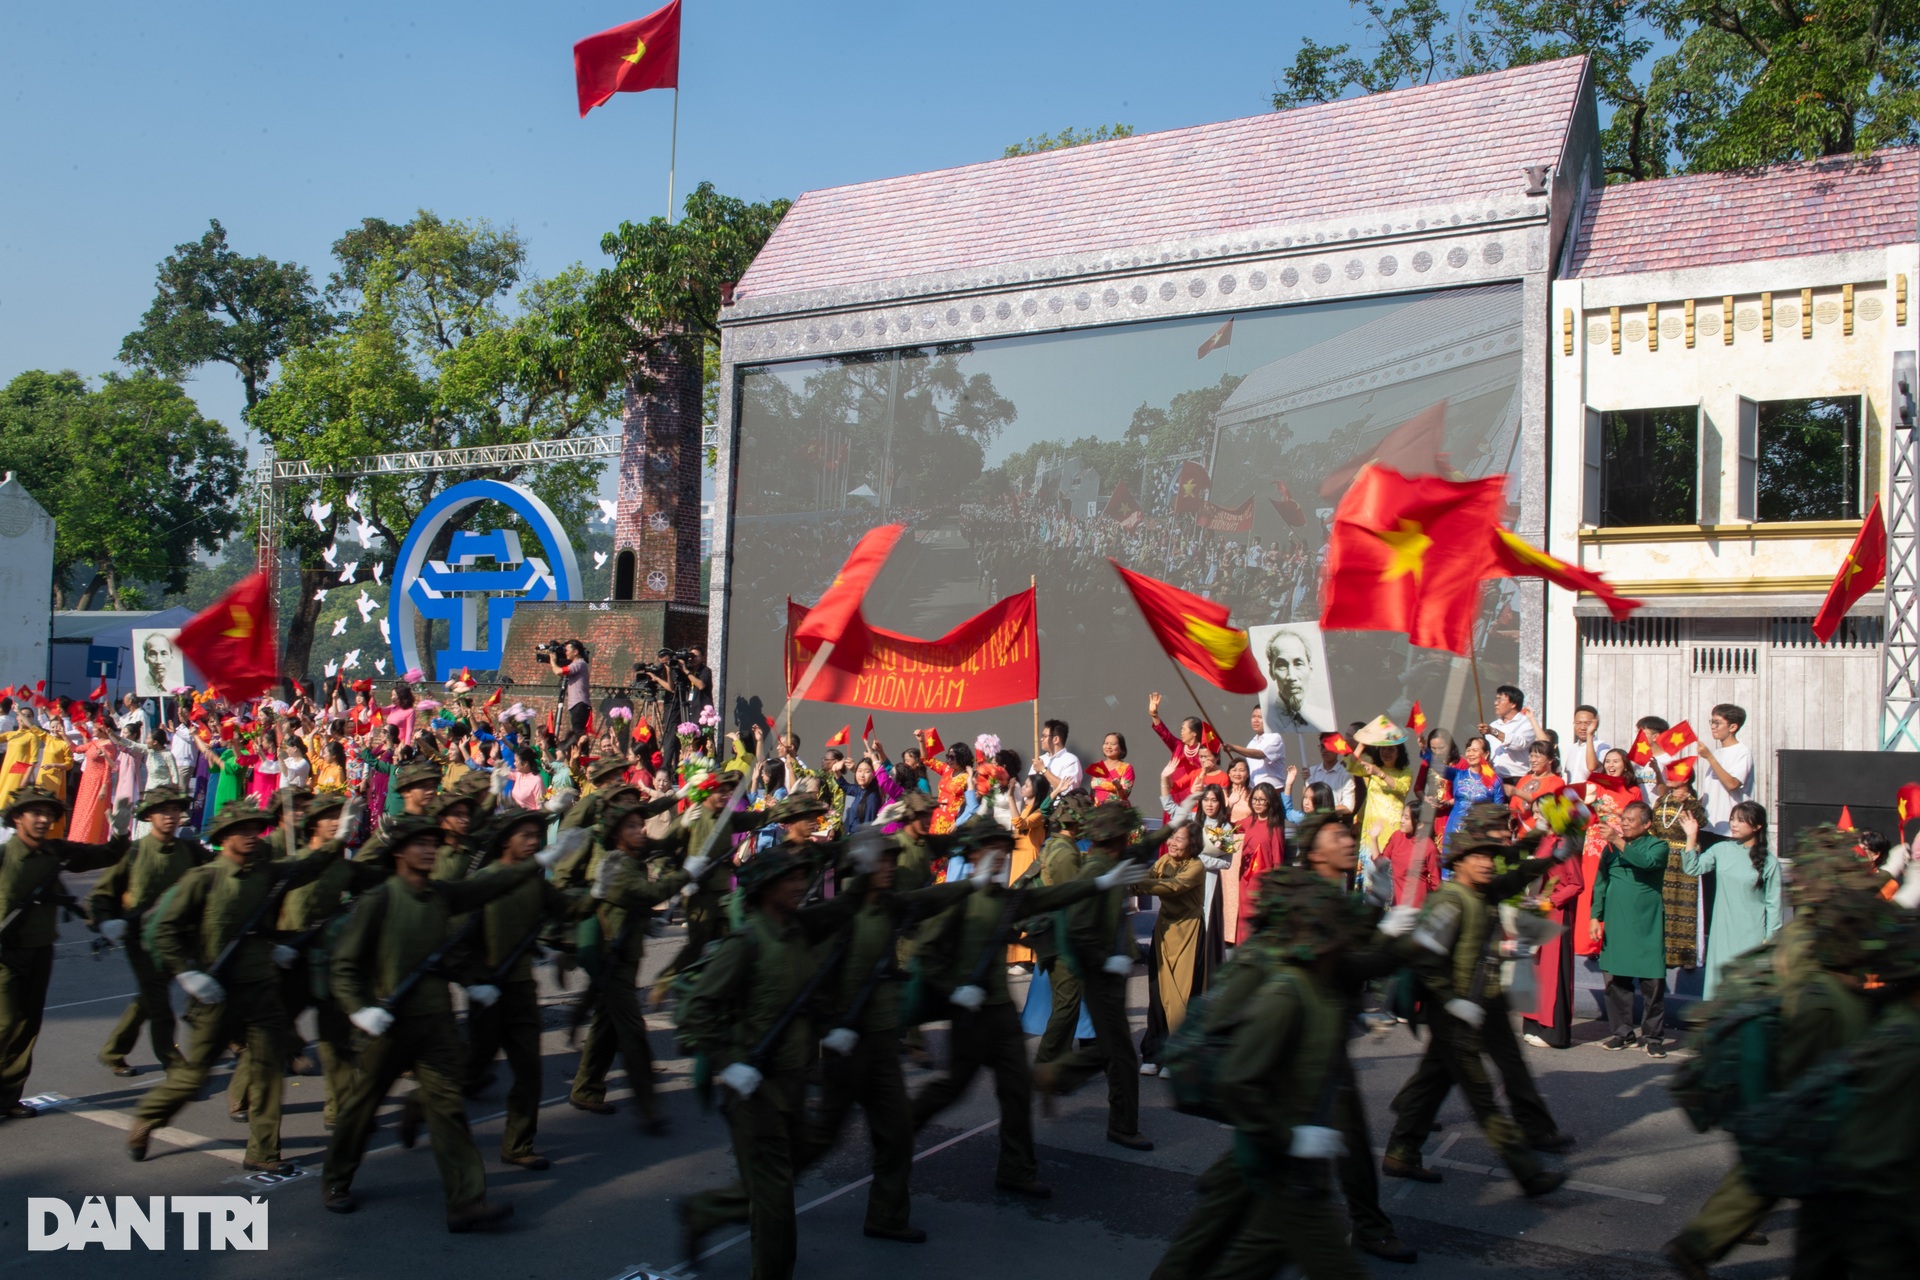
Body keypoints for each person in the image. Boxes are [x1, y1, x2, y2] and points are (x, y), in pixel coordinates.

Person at [321, 813, 569, 1230]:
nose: (430, 849)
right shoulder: (379, 900)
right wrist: (361, 1009)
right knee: (361, 1109)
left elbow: (488, 886)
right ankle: (336, 1179)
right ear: (399, 851)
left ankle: (466, 1201)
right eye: (420, 843)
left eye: (434, 843)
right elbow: (344, 966)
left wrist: (540, 860)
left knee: (449, 1110)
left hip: (435, 1023)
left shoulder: (440, 895)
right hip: (389, 1024)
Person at [1153, 866, 1376, 1280]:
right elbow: (1238, 1078)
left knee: (1233, 1253)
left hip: (1278, 1156)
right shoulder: (1285, 988)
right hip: (1280, 1158)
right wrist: (1294, 1137)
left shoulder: (1316, 981)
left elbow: (1368, 958)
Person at [913, 816, 1142, 1188]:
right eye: (992, 848)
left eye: (1004, 849)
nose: (1002, 856)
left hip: (1001, 1012)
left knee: (1017, 1089)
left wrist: (1099, 882)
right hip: (969, 1015)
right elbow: (926, 954)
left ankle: (1017, 1170)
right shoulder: (959, 898)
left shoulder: (1006, 898)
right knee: (951, 1088)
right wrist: (953, 990)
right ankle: (901, 1128)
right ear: (972, 854)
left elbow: (1049, 896)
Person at [127, 798, 334, 1171]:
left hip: (261, 988)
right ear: (224, 838)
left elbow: (305, 867)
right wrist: (188, 974)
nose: (252, 835)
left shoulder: (265, 873)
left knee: (269, 1072)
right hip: (217, 995)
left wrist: (339, 839)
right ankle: (148, 1118)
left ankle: (263, 1152)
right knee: (193, 1078)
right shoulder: (203, 879)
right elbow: (164, 931)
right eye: (242, 830)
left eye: (255, 829)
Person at [678, 845, 856, 1279]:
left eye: (801, 877)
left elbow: (804, 994)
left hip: (792, 1081)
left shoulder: (794, 933)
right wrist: (727, 1061)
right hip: (755, 1089)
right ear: (764, 888)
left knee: (781, 1178)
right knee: (775, 1199)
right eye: (789, 879)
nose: (799, 885)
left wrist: (829, 1025)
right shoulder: (748, 941)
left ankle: (706, 1212)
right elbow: (696, 1009)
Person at [796, 829, 979, 1245]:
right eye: (880, 861)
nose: (888, 868)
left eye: (890, 861)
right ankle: (756, 1192)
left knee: (896, 1133)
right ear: (859, 866)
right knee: (823, 1136)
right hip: (848, 1046)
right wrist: (831, 1028)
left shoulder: (887, 907)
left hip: (880, 1043)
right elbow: (812, 984)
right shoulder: (839, 915)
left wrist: (972, 883)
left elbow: (925, 900)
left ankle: (887, 1216)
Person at [1382, 806, 1573, 1196]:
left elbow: (1518, 874)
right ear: (1461, 861)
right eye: (1480, 856)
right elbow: (1424, 956)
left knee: (1445, 1078)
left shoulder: (1483, 891)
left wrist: (1552, 857)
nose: (1488, 863)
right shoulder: (1450, 901)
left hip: (1487, 1002)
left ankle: (1401, 1151)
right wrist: (1451, 1001)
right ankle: (1528, 1174)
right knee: (1482, 1097)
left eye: (1490, 855)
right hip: (1456, 1016)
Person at [461, 808, 594, 1169]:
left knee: (528, 1070)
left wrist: (600, 890)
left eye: (537, 836)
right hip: (486, 991)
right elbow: (459, 941)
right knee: (469, 1071)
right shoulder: (485, 879)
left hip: (520, 989)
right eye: (526, 836)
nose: (534, 842)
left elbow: (568, 908)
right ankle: (420, 1108)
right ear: (506, 840)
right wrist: (475, 982)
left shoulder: (534, 882)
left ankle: (518, 1144)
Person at [0, 785, 130, 1119]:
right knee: (4, 1024)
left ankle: (7, 1098)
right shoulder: (3, 856)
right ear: (17, 818)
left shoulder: (55, 852)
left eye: (49, 814)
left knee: (27, 1026)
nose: (44, 820)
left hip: (40, 949)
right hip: (4, 953)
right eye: (36, 813)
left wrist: (118, 835)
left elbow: (100, 857)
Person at [1030, 805, 1156, 1152]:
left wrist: (1176, 821)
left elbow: (1141, 850)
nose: (1130, 838)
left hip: (1108, 971)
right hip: (1101, 975)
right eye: (1126, 833)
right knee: (1121, 1056)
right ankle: (1122, 1126)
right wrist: (1108, 961)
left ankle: (1057, 1075)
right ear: (1116, 837)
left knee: (1110, 1049)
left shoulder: (1111, 860)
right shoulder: (1096, 870)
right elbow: (1079, 928)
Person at [570, 797, 696, 1130]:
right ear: (615, 833)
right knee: (633, 1035)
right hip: (613, 958)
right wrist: (685, 875)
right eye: (631, 826)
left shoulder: (630, 859)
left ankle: (586, 1088)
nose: (640, 830)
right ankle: (648, 1106)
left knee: (606, 1026)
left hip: (625, 956)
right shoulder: (616, 863)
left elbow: (644, 886)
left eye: (641, 824)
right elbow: (647, 894)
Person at [89, 785, 210, 1077]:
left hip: (180, 936)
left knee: (148, 998)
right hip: (141, 939)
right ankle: (173, 1063)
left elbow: (219, 872)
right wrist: (106, 921)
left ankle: (114, 1050)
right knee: (158, 1003)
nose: (170, 816)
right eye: (163, 810)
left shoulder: (190, 850)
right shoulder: (135, 852)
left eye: (174, 810)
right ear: (149, 816)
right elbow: (102, 894)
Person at [1590, 799, 1670, 1054]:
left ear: (1647, 824)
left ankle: (1653, 1038)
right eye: (1622, 818)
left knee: (1653, 984)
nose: (1624, 823)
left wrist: (1618, 841)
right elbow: (1600, 882)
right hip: (1617, 921)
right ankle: (1622, 1033)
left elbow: (1646, 863)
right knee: (1616, 983)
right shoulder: (1611, 849)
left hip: (1647, 923)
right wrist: (1595, 916)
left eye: (1630, 820)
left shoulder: (1658, 846)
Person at [1678, 800, 1780, 999]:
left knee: (1748, 994)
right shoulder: (1721, 850)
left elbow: (1774, 904)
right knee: (1719, 989)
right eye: (1732, 819)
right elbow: (1692, 868)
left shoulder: (1769, 861)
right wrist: (1691, 837)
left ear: (1757, 826)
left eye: (1741, 820)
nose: (1733, 824)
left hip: (1753, 936)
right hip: (1722, 934)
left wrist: (1770, 940)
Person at [1135, 821, 1209, 1074]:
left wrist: (1136, 884)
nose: (1174, 842)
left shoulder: (1197, 866)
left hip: (1189, 933)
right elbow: (1149, 877)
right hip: (1164, 931)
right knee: (1158, 995)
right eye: (1173, 837)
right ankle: (1154, 1054)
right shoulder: (1164, 860)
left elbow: (1173, 887)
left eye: (1180, 839)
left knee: (1184, 996)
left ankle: (1177, 1056)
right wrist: (1137, 880)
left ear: (1193, 843)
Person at [1519, 818, 1585, 1050]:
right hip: (1537, 907)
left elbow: (1576, 884)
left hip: (1555, 911)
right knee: (1535, 969)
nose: (1537, 819)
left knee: (1552, 971)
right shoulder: (1544, 840)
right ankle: (1533, 1023)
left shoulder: (1566, 845)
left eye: (1541, 814)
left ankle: (1553, 1031)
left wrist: (1551, 900)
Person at [1651, 758, 1706, 973]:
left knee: (1686, 908)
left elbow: (1700, 821)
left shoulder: (1693, 803)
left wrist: (1689, 802)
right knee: (1663, 906)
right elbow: (1654, 828)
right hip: (1663, 858)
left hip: (1685, 857)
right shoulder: (1661, 801)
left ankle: (1687, 955)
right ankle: (1663, 952)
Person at [1346, 716, 1413, 886]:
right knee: (1367, 876)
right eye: (1383, 749)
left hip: (1391, 830)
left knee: (1386, 875)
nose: (1386, 753)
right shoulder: (1373, 768)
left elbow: (1401, 788)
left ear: (1399, 752)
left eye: (1391, 749)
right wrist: (1362, 742)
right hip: (1370, 828)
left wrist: (1379, 774)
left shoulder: (1405, 771)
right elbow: (1351, 766)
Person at [1236, 782, 1287, 945]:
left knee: (1256, 927)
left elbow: (1278, 862)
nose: (1257, 803)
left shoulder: (1275, 828)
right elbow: (1229, 832)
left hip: (1263, 887)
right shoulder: (1247, 821)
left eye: (1262, 800)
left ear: (1271, 802)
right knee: (1243, 925)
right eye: (1255, 799)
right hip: (1244, 881)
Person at [1692, 703, 1753, 836]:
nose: (1713, 727)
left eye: (1718, 723)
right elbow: (1712, 790)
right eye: (1712, 722)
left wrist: (1709, 758)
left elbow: (1732, 784)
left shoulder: (1742, 752)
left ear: (1733, 727)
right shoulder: (1717, 752)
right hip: (1708, 825)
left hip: (1728, 828)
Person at [1442, 736, 1503, 853]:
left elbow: (1498, 813)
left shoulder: (1496, 781)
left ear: (1486, 754)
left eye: (1475, 750)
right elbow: (1438, 768)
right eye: (1468, 750)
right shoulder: (1458, 775)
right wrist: (1425, 750)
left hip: (1478, 835)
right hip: (1455, 830)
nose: (1470, 753)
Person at [1148, 691, 1208, 808]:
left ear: (1194, 733)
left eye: (1184, 729)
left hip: (1193, 800)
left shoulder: (1204, 752)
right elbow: (1164, 733)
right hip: (1173, 797)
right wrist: (1154, 714)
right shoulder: (1178, 746)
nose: (1181, 731)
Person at [1378, 798, 1439, 907]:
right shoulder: (1397, 836)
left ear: (1419, 824)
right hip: (1394, 900)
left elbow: (1436, 883)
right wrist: (1373, 839)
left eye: (1406, 818)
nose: (1402, 820)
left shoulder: (1429, 847)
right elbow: (1382, 863)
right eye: (1402, 816)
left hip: (1414, 905)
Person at [1479, 684, 1535, 791]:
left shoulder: (1526, 723)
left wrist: (1493, 732)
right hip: (1494, 778)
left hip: (1516, 779)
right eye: (1496, 699)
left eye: (1500, 700)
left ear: (1513, 704)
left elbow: (1519, 744)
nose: (1496, 703)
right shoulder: (1494, 724)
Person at [1225, 703, 1287, 793]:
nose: (1255, 720)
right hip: (1254, 790)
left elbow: (1260, 754)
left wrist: (1234, 748)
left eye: (1260, 717)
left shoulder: (1275, 737)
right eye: (1253, 716)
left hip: (1272, 791)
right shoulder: (1252, 743)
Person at [542, 639, 592, 747]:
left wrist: (553, 661)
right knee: (577, 732)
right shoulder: (577, 664)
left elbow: (559, 671)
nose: (566, 652)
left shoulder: (579, 663)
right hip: (577, 704)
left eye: (568, 650)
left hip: (580, 703)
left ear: (575, 652)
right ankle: (579, 753)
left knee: (579, 732)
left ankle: (582, 755)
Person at [1303, 734, 1356, 813]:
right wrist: (1305, 781)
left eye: (1328, 747)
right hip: (1313, 820)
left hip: (1334, 820)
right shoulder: (1312, 771)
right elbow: (1306, 799)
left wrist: (1323, 811)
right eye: (1322, 746)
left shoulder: (1346, 775)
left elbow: (1348, 807)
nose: (1324, 750)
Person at [1031, 718, 1083, 794]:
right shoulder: (1040, 759)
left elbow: (1067, 789)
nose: (1041, 739)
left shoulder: (1071, 760)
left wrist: (1043, 770)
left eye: (1044, 736)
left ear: (1056, 739)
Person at [1085, 731, 1134, 807]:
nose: (1108, 747)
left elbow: (1124, 795)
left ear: (1121, 748)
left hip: (1116, 812)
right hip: (1096, 812)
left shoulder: (1126, 768)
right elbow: (1092, 791)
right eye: (1106, 743)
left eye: (1113, 744)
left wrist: (1118, 787)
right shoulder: (1098, 766)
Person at [1566, 704, 1608, 788]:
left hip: (1591, 795)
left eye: (1587, 723)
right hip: (1571, 796)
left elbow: (1592, 767)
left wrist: (1589, 735)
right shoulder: (1572, 748)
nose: (1582, 727)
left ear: (1596, 725)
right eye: (1578, 723)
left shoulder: (1603, 747)